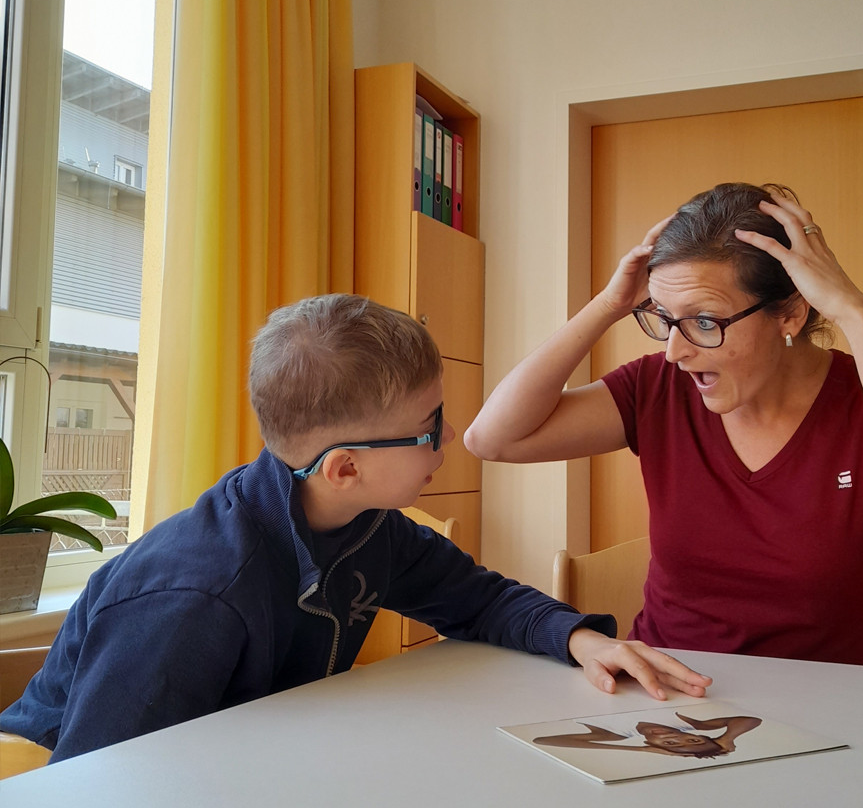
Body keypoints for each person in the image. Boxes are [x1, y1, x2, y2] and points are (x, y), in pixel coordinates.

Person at [0, 295, 711, 762]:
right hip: (52, 786)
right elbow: (99, 780)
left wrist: (581, 638)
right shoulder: (196, 594)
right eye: (429, 428)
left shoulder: (368, 524)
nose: (452, 436)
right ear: (344, 468)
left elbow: (480, 599)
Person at [465, 183, 863, 666]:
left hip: (824, 719)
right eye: (663, 319)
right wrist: (609, 305)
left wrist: (853, 312)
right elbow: (492, 438)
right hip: (663, 697)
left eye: (704, 321)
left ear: (790, 314)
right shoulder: (660, 388)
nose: (676, 351)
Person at [534, 712, 762, 759]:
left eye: (670, 744)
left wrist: (639, 750)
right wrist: (727, 738)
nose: (675, 737)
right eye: (694, 740)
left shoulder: (616, 735)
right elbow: (751, 720)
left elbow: (543, 740)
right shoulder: (689, 721)